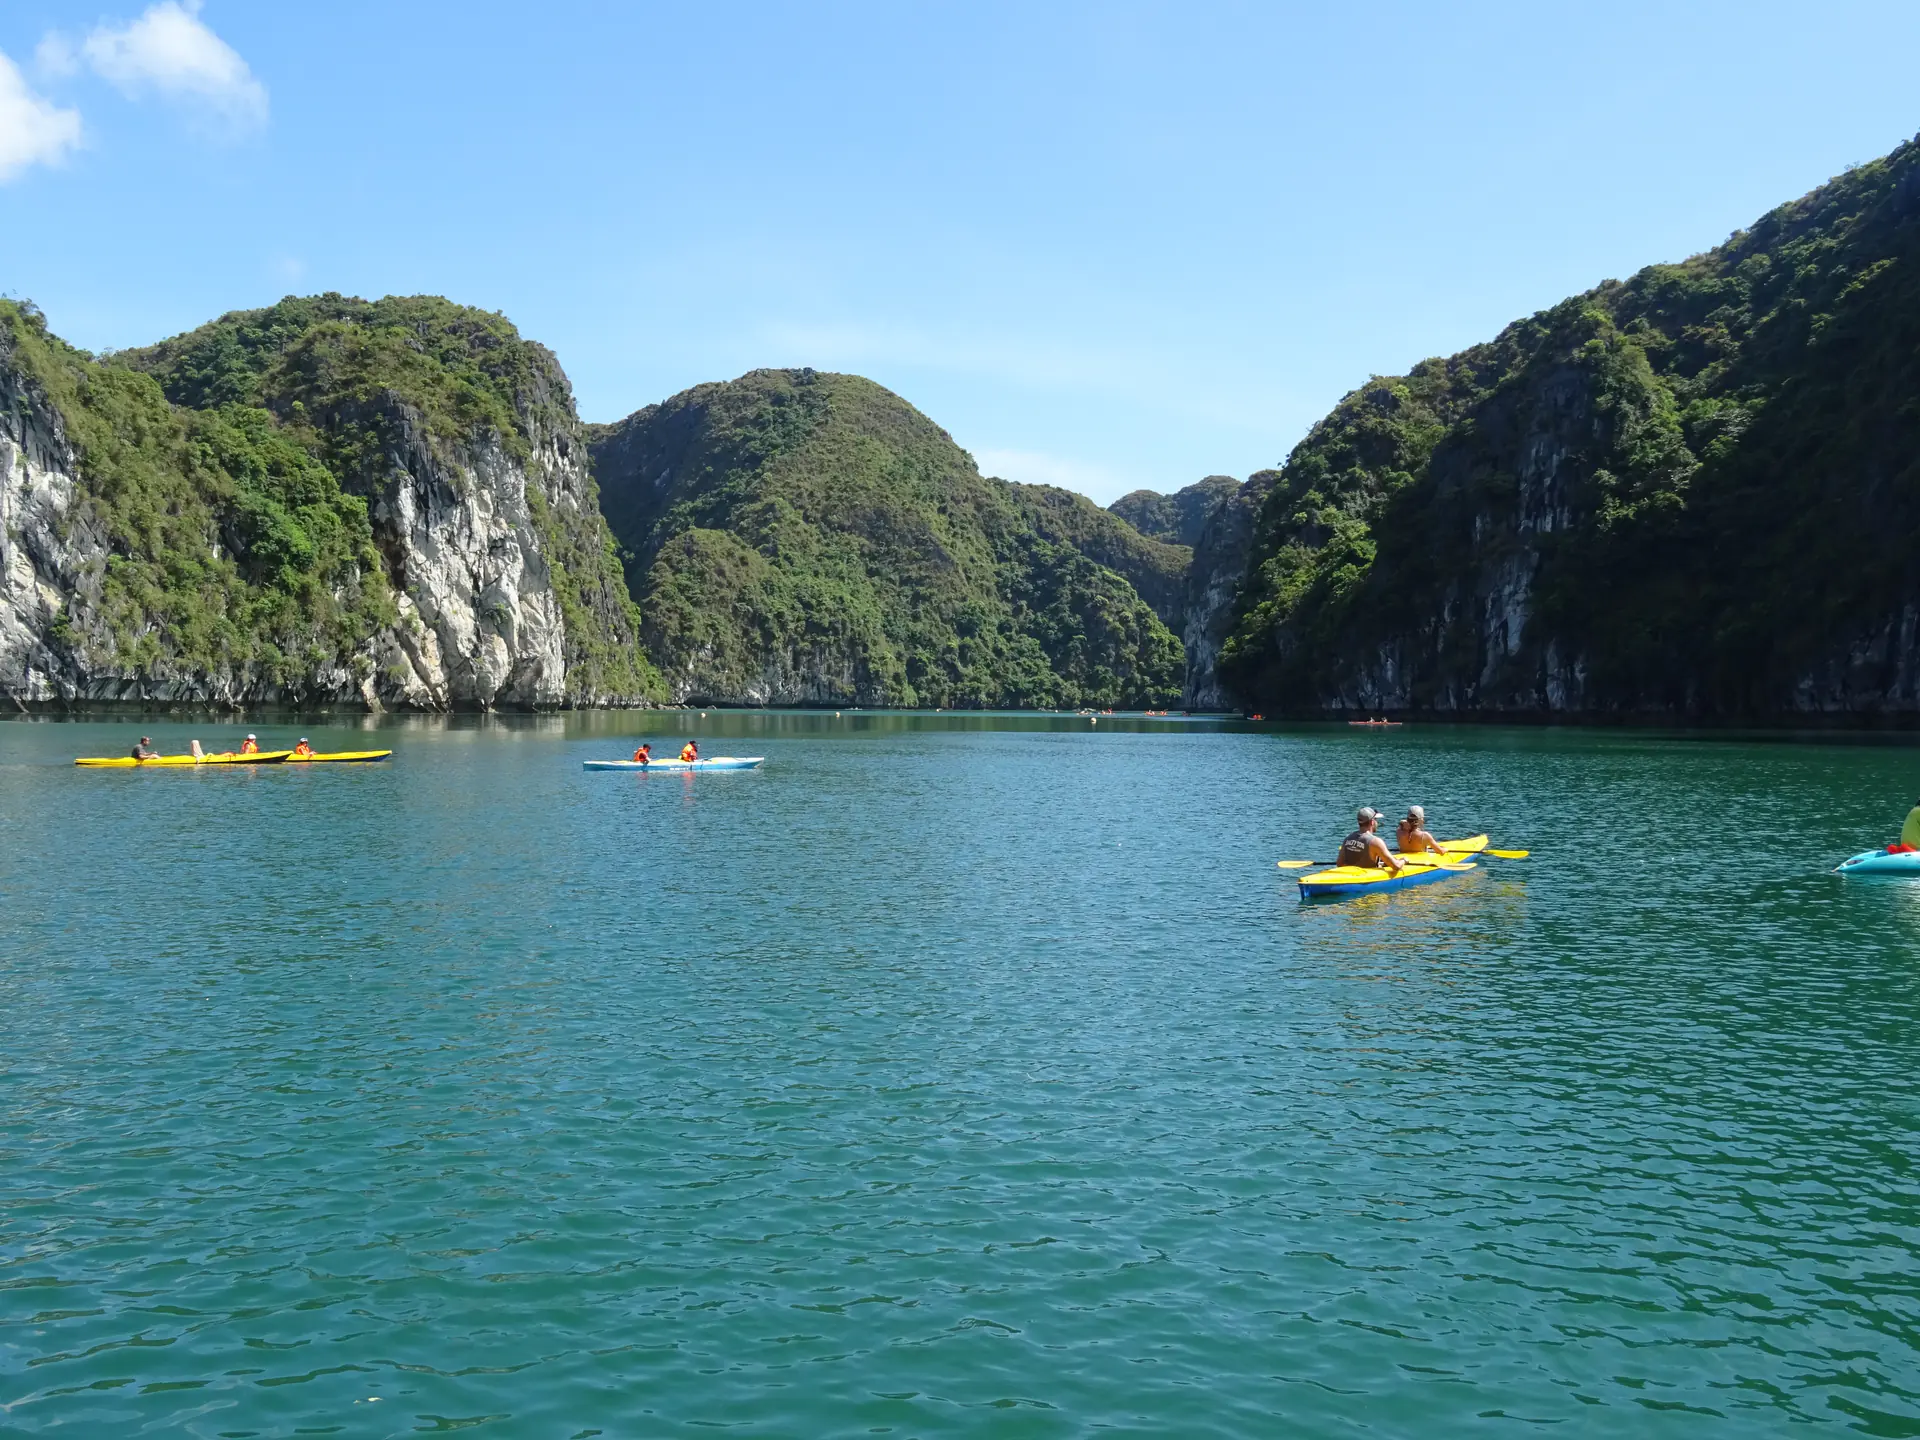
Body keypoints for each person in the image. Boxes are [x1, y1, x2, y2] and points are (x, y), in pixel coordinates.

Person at [1337, 807, 1404, 872]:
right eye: (1376, 820)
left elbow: (1339, 864)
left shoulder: (1348, 838)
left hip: (1351, 877)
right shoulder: (1375, 842)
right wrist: (1403, 860)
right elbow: (1396, 866)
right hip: (1368, 880)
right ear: (1372, 822)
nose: (1377, 823)